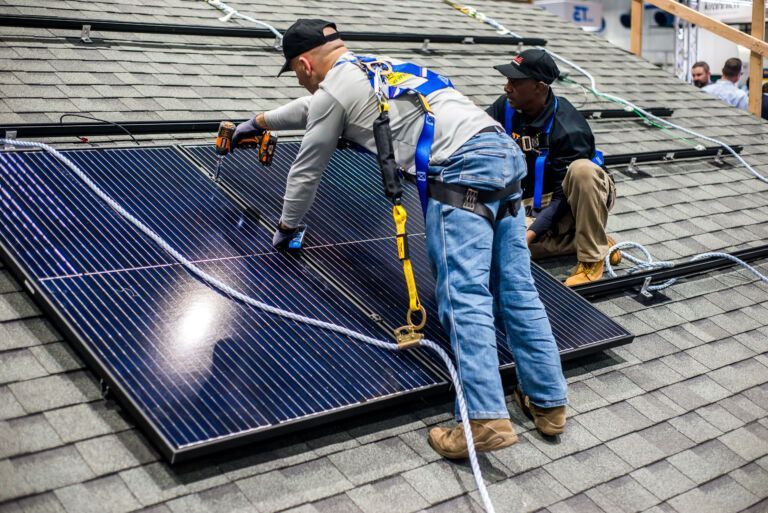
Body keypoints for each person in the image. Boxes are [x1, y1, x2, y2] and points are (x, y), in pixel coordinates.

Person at [232, 19, 568, 458]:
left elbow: (306, 169)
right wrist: (258, 121)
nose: (301, 79)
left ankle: (485, 419)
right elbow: (314, 109)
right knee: (517, 289)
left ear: (304, 62)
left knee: (463, 296)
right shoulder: (376, 67)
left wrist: (287, 229)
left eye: (296, 72)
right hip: (502, 155)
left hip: (461, 171)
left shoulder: (336, 87)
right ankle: (548, 403)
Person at [486, 49, 620, 286]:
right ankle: (594, 239)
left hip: (578, 197)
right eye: (507, 80)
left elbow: (562, 198)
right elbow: (475, 135)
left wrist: (529, 234)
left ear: (539, 87)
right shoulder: (505, 106)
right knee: (498, 241)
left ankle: (592, 258)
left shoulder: (569, 129)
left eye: (515, 82)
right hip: (534, 199)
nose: (507, 87)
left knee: (582, 170)